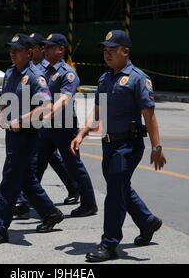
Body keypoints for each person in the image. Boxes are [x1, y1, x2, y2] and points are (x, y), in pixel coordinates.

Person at [70, 30, 167, 262]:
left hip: (128, 144)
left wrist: (156, 147)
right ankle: (147, 221)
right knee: (120, 186)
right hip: (109, 144)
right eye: (105, 50)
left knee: (114, 191)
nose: (107, 54)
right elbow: (97, 110)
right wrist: (82, 133)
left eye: (112, 50)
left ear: (126, 51)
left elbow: (149, 114)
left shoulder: (137, 78)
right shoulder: (104, 79)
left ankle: (109, 243)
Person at [0, 33, 64, 246]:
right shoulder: (10, 72)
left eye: (17, 50)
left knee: (9, 179)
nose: (12, 53)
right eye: (11, 49)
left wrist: (21, 120)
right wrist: (1, 114)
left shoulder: (36, 77)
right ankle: (50, 212)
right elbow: (4, 97)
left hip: (27, 136)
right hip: (12, 134)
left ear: (29, 52)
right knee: (26, 178)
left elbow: (46, 107)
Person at [35, 33, 98, 218]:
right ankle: (26, 201)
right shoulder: (42, 71)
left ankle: (89, 204)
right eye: (44, 46)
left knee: (74, 167)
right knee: (35, 165)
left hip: (64, 127)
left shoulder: (68, 73)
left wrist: (47, 112)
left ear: (61, 49)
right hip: (45, 127)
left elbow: (64, 99)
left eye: (49, 46)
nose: (45, 49)